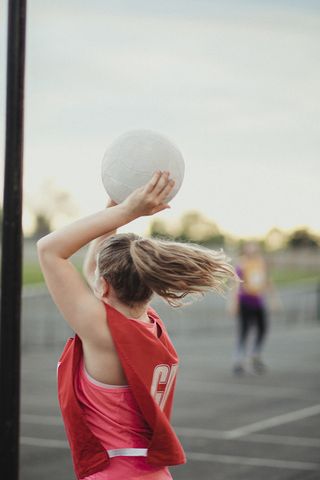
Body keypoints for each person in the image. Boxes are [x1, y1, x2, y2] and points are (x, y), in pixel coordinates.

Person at [37, 171, 237, 479]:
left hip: (115, 472)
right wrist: (116, 200)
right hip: (153, 472)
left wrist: (126, 211)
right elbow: (95, 267)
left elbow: (49, 250)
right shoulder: (149, 324)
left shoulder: (104, 332)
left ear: (102, 287)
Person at [230, 241, 273, 375]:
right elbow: (236, 285)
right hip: (245, 301)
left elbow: (267, 281)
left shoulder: (260, 263)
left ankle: (255, 356)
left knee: (262, 329)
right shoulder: (241, 264)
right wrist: (233, 303)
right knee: (244, 331)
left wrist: (274, 299)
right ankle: (239, 360)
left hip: (258, 301)